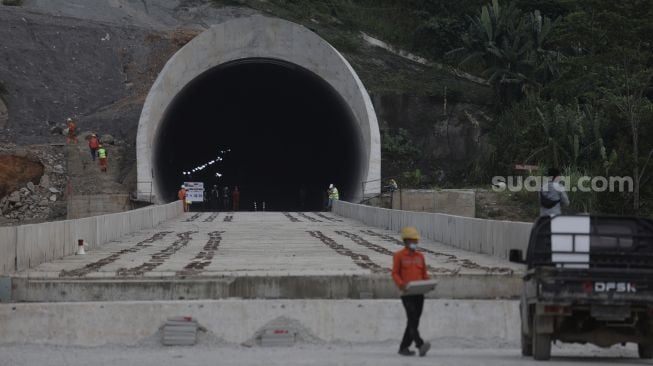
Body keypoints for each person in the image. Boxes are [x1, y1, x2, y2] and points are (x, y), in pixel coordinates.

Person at [392, 227, 431, 357]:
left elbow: (424, 274)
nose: (415, 242)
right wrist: (401, 284)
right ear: (406, 241)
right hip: (407, 294)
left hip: (419, 294)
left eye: (416, 240)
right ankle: (420, 345)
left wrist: (429, 283)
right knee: (413, 319)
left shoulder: (420, 256)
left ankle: (403, 348)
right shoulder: (399, 256)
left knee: (413, 322)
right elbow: (395, 273)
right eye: (413, 240)